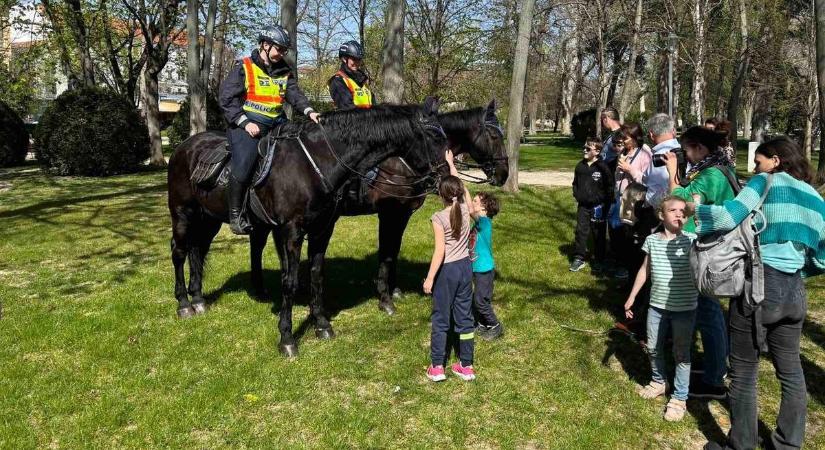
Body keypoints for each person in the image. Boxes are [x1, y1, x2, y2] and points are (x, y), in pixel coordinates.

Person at [699, 137, 825, 450]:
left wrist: (691, 211)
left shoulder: (763, 182)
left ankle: (740, 445)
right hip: (793, 290)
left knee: (743, 371)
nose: (755, 167)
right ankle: (788, 444)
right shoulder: (814, 197)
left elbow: (728, 217)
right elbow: (822, 256)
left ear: (776, 161)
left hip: (758, 286)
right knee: (791, 371)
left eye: (758, 161)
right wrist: (799, 270)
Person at [219, 25, 321, 235]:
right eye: (279, 49)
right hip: (246, 125)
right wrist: (244, 122)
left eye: (284, 50)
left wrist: (309, 111)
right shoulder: (244, 67)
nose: (282, 54)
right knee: (244, 163)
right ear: (265, 45)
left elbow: (294, 95)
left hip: (277, 123)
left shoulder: (284, 71)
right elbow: (226, 98)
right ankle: (236, 214)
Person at [664, 126, 736, 401]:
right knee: (710, 311)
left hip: (710, 251)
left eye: (687, 151)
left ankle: (715, 379)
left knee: (708, 313)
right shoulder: (719, 169)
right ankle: (716, 367)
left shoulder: (710, 175)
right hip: (712, 247)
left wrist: (672, 173)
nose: (686, 156)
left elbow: (679, 202)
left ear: (701, 149)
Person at [624, 196, 698, 422]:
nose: (678, 214)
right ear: (660, 215)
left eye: (682, 211)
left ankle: (679, 397)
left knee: (681, 353)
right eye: (672, 210)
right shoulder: (652, 240)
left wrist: (695, 211)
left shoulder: (692, 240)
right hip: (657, 306)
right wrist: (632, 296)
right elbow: (645, 270)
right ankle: (658, 381)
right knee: (653, 346)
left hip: (685, 307)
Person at [423, 150, 478, 382]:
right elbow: (463, 190)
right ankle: (466, 366)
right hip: (466, 269)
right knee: (465, 318)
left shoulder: (439, 217)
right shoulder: (467, 210)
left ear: (441, 196)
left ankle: (437, 367)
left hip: (447, 272)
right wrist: (452, 166)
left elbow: (440, 252)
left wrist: (429, 279)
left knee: (441, 319)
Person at [609, 122, 652, 280]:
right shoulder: (626, 151)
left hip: (634, 198)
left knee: (629, 236)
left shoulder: (645, 152)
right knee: (617, 231)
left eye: (626, 139)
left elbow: (647, 179)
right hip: (620, 197)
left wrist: (630, 169)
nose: (623, 142)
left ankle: (629, 269)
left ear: (635, 138)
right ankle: (621, 265)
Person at [570, 140, 614, 273]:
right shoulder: (580, 166)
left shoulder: (603, 167)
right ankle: (579, 257)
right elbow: (575, 183)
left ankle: (600, 259)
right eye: (584, 147)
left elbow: (609, 187)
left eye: (588, 148)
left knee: (598, 233)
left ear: (597, 151)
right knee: (581, 231)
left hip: (598, 207)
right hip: (583, 206)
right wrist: (577, 195)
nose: (584, 150)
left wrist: (602, 202)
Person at [471, 191, 503, 340]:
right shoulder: (479, 223)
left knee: (480, 301)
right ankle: (483, 324)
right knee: (482, 298)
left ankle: (495, 325)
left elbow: (470, 211)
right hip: (480, 269)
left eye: (475, 201)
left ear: (484, 209)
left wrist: (458, 182)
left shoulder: (483, 222)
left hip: (483, 270)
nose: (472, 203)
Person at [644, 113, 681, 210]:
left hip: (666, 216)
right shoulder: (688, 153)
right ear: (673, 131)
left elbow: (653, 198)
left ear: (651, 134)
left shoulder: (658, 159)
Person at [328, 40, 375, 110]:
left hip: (369, 120)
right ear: (344, 59)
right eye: (354, 59)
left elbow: (373, 104)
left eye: (359, 59)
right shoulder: (338, 81)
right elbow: (348, 110)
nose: (357, 63)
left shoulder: (362, 80)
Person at [599, 106, 622, 171]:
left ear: (606, 119)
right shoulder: (611, 134)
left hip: (612, 174)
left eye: (602, 118)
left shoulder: (621, 134)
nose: (602, 121)